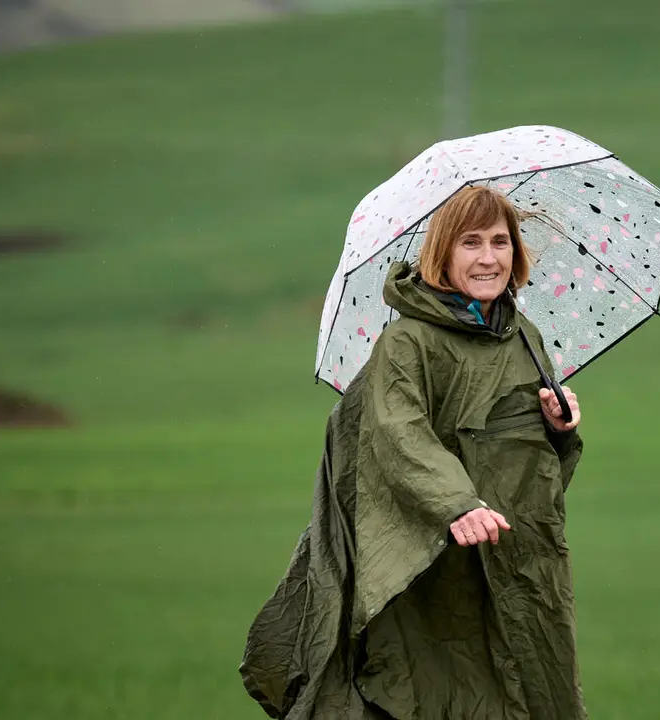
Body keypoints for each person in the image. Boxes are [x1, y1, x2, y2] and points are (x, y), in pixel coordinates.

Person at [240, 186, 586, 719]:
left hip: (520, 563)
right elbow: (399, 434)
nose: (489, 257)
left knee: (533, 694)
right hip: (436, 567)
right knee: (434, 696)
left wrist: (558, 426)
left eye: (500, 241)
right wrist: (457, 504)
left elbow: (533, 465)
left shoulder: (525, 338)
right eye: (471, 242)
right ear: (442, 252)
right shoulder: (408, 343)